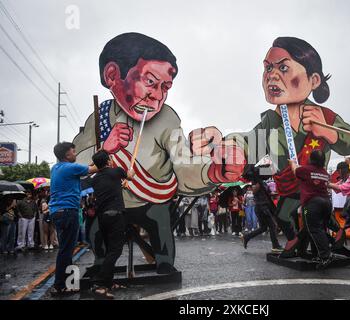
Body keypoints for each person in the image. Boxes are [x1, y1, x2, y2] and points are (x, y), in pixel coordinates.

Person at [73, 33, 245, 274]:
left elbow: (182, 163)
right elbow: (75, 168)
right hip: (112, 202)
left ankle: (164, 262)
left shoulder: (167, 118)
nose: (157, 95)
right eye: (150, 82)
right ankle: (101, 264)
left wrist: (212, 171)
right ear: (112, 75)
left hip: (150, 201)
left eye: (165, 87)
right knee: (96, 231)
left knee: (159, 223)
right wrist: (103, 149)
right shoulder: (98, 119)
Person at [191, 37, 350, 256]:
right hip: (288, 186)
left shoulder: (324, 116)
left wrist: (330, 132)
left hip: (314, 186)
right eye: (267, 68)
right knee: (283, 216)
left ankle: (327, 241)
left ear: (314, 80)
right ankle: (299, 243)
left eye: (284, 67)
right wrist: (229, 146)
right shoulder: (271, 121)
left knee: (315, 216)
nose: (272, 75)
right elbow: (251, 140)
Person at [49, 142, 97, 296]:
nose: (75, 154)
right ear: (67, 155)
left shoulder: (56, 168)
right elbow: (94, 169)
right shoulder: (71, 167)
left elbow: (86, 170)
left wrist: (93, 162)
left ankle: (67, 283)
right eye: (73, 151)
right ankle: (59, 285)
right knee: (65, 250)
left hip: (57, 212)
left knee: (66, 248)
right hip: (68, 212)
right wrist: (101, 158)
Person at [90, 150, 135, 299]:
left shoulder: (95, 179)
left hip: (103, 217)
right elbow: (129, 177)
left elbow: (109, 188)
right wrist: (131, 172)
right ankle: (99, 283)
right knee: (115, 251)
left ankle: (109, 282)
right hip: (116, 215)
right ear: (108, 161)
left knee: (110, 250)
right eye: (110, 158)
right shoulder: (117, 171)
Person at [288, 150, 335, 268]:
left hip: (313, 204)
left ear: (311, 159)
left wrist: (292, 162)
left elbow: (295, 170)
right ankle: (319, 254)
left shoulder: (306, 169)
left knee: (313, 229)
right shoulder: (324, 172)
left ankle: (326, 256)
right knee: (320, 229)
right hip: (326, 203)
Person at [242, 180, 283, 253]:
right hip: (262, 207)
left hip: (264, 207)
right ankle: (275, 246)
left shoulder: (264, 183)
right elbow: (254, 191)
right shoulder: (257, 181)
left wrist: (275, 193)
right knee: (272, 225)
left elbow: (268, 193)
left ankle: (247, 237)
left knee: (263, 228)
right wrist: (258, 183)